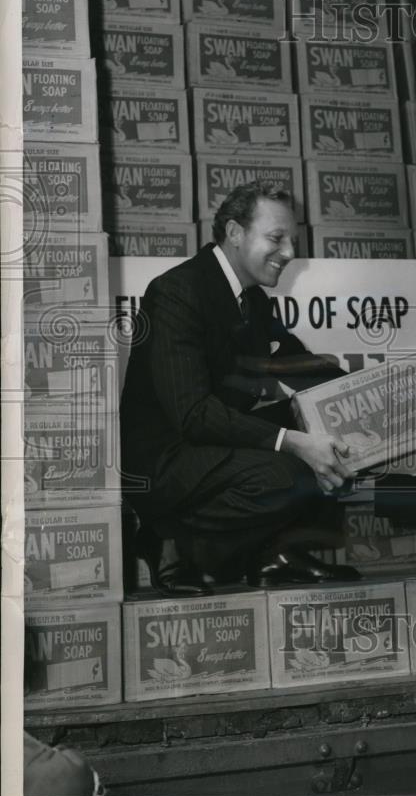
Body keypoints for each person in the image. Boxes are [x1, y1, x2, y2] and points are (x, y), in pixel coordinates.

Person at [119, 181, 361, 594]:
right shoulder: (176, 292)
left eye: (292, 240)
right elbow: (194, 415)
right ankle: (168, 536)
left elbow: (304, 368)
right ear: (234, 233)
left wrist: (382, 403)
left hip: (207, 447)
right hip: (164, 462)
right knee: (288, 472)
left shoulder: (254, 302)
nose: (288, 252)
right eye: (275, 238)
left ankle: (274, 555)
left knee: (343, 421)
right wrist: (293, 442)